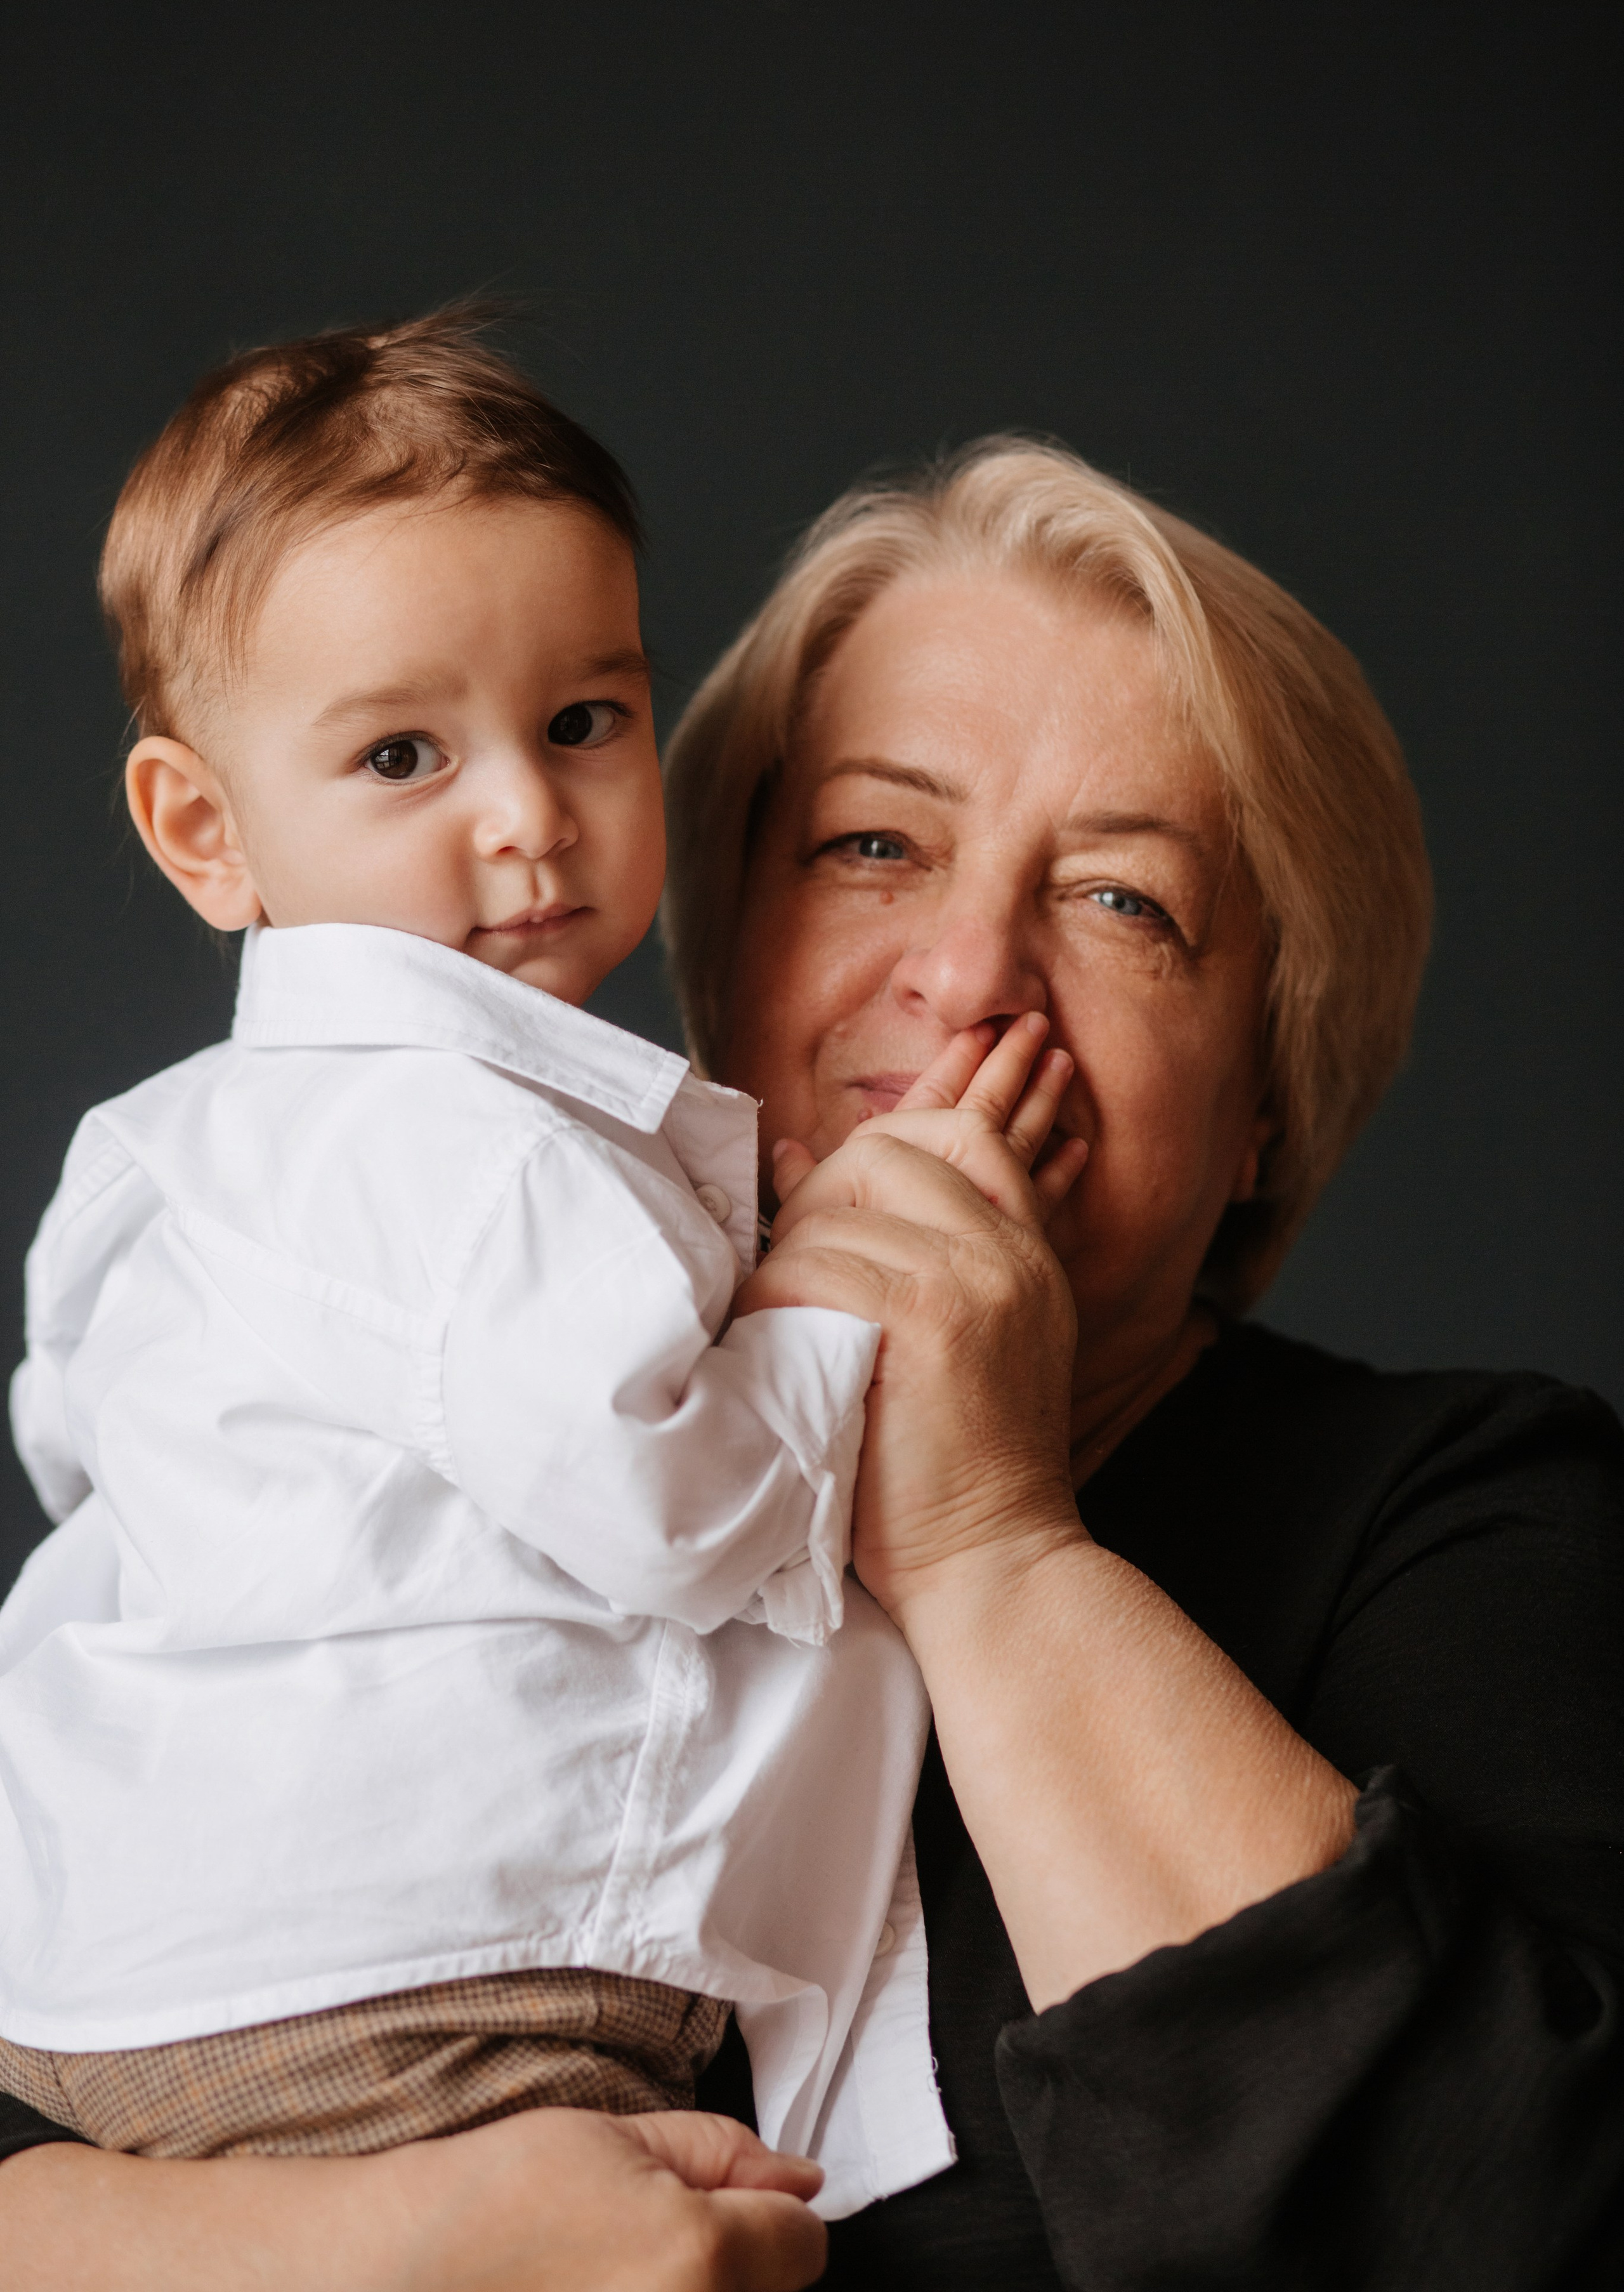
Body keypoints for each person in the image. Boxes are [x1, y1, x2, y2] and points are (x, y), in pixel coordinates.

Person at [3, 435, 1621, 2289]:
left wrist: (986, 1535)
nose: (965, 972)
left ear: (1268, 1090)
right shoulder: (392, 1381)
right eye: (875, 844)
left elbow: (1511, 2230)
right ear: (718, 934)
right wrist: (374, 2242)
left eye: (1122, 902)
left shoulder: (1466, 1513)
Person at [0, 315, 1075, 2216]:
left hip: (109, 1956)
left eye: (583, 720)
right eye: (405, 754)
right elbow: (676, 1500)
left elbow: (79, 1435)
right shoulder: (479, 1144)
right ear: (202, 828)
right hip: (409, 1982)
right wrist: (834, 1284)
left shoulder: (169, 1138)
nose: (527, 814)